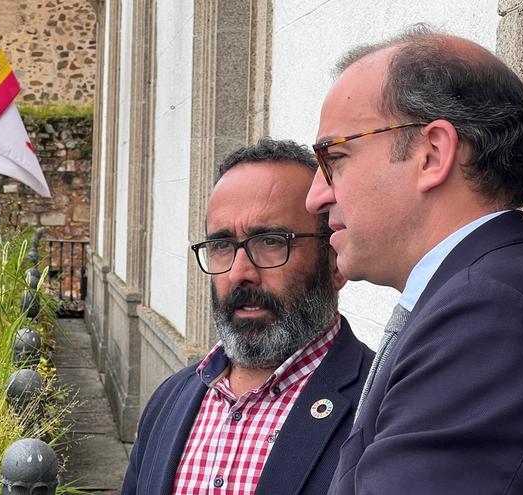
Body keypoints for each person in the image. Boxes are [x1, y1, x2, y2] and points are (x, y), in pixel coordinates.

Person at [305, 25, 523, 494]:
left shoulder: (489, 316)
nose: (316, 197)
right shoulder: (484, 298)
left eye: (334, 159)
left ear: (432, 154)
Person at [122, 139, 373, 494]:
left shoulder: (381, 408)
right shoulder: (170, 400)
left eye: (270, 241)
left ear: (333, 261)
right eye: (222, 245)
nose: (240, 272)